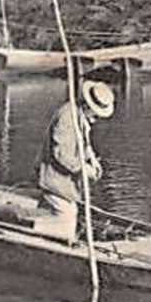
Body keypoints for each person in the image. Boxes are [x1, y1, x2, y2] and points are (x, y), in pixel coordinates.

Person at [33, 79, 115, 241]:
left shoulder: (80, 116)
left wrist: (91, 158)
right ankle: (35, 233)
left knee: (64, 211)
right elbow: (62, 154)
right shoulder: (68, 117)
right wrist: (84, 168)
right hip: (54, 178)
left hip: (64, 182)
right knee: (68, 216)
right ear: (87, 106)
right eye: (95, 114)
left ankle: (41, 229)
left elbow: (82, 143)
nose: (96, 118)